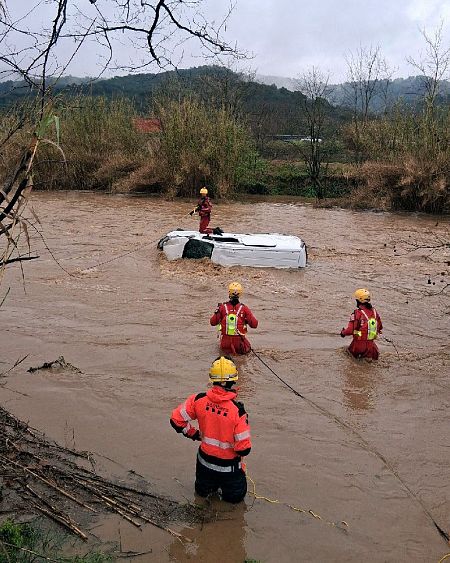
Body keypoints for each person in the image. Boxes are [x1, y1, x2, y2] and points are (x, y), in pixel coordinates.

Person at [170, 356, 251, 503]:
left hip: (204, 465)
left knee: (201, 498)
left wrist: (193, 434)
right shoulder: (237, 411)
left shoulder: (198, 400)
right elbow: (243, 449)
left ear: (212, 379)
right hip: (230, 471)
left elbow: (176, 420)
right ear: (233, 380)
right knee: (234, 506)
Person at [210, 282, 258, 355]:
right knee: (247, 352)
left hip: (225, 344)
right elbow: (254, 325)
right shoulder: (244, 308)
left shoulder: (222, 307)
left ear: (229, 292)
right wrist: (245, 321)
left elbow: (212, 322)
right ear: (240, 293)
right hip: (239, 344)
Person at [340, 288, 383, 360]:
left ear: (358, 301)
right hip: (371, 347)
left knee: (346, 356)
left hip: (358, 346)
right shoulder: (375, 312)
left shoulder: (357, 313)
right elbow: (380, 327)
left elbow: (350, 330)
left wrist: (343, 333)